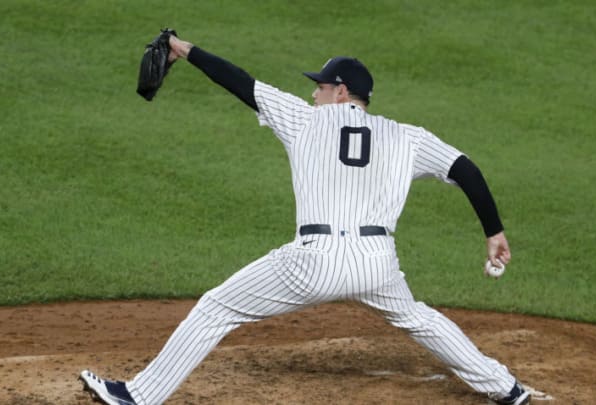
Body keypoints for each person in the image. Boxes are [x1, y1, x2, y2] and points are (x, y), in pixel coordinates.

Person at [80, 33, 530, 405]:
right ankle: (506, 388)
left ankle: (138, 397)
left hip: (314, 262)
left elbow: (240, 82)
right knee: (418, 317)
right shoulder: (406, 137)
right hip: (377, 263)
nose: (311, 94)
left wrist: (184, 49)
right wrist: (494, 232)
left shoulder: (303, 120)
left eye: (319, 87)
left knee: (217, 307)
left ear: (339, 92)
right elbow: (466, 169)